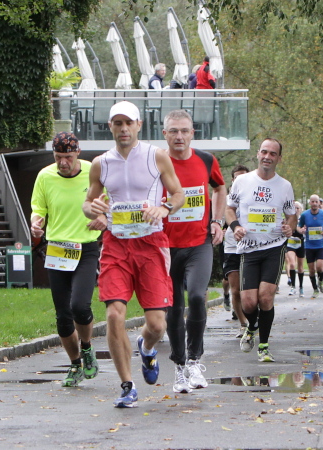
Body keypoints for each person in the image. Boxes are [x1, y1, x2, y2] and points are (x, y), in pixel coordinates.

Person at [82, 100, 184, 408]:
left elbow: (178, 194)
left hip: (151, 244)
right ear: (110, 127)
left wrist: (164, 208)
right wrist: (95, 210)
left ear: (139, 125)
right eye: (118, 123)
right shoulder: (101, 163)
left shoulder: (156, 156)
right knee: (114, 314)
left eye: (129, 123)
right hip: (116, 245)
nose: (124, 128)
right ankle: (127, 386)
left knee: (157, 325)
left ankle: (146, 347)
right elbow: (88, 203)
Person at [30, 132, 105, 387]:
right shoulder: (45, 176)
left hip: (86, 247)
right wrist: (36, 224)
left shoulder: (93, 171)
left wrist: (102, 218)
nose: (63, 162)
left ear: (78, 153)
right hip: (58, 249)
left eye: (68, 157)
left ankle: (87, 347)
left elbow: (107, 202)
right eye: (58, 157)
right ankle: (74, 365)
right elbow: (38, 209)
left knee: (80, 307)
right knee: (63, 316)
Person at [160, 110, 226, 394]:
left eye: (184, 131)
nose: (179, 136)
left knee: (197, 297)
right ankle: (178, 366)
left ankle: (194, 361)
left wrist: (217, 221)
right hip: (165, 246)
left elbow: (220, 187)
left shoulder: (206, 160)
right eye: (174, 131)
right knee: (174, 307)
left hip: (199, 244)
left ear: (192, 134)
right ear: (165, 134)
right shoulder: (156, 162)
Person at [225, 138, 296, 363]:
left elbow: (291, 215)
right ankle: (252, 326)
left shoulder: (284, 186)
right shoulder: (242, 181)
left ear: (279, 158)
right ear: (258, 154)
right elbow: (229, 209)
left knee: (265, 297)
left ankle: (263, 346)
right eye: (264, 152)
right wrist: (235, 227)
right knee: (247, 302)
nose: (267, 157)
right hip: (248, 249)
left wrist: (289, 227)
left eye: (273, 154)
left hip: (274, 247)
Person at [222, 164, 250, 337]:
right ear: (232, 180)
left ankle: (254, 319)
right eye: (237, 178)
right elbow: (218, 219)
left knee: (252, 291)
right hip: (232, 247)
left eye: (243, 177)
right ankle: (243, 324)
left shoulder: (255, 196)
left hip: (252, 247)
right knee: (236, 290)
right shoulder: (226, 200)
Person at [298, 194, 323, 299]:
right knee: (311, 270)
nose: (315, 204)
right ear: (310, 203)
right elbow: (299, 227)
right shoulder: (305, 215)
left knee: (320, 267)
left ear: (319, 203)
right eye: (313, 202)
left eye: (316, 202)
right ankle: (315, 289)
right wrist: (301, 230)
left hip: (321, 244)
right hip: (309, 245)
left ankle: (321, 281)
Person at [285, 201, 305, 297]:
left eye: (298, 208)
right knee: (292, 264)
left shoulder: (303, 218)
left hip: (300, 242)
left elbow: (305, 229)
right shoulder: (289, 218)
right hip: (291, 243)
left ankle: (301, 287)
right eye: (294, 208)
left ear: (301, 209)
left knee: (300, 266)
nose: (296, 210)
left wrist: (303, 230)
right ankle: (293, 286)